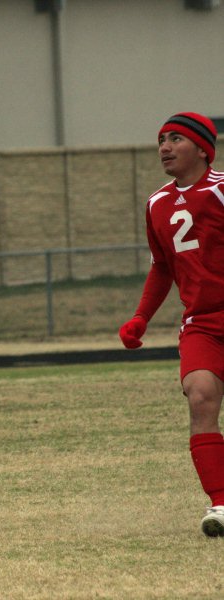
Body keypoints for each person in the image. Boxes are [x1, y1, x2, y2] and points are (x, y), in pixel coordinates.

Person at [118, 112, 224, 537]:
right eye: (161, 139)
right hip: (201, 323)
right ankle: (220, 503)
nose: (164, 146)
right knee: (200, 397)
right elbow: (163, 266)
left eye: (175, 138)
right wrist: (141, 317)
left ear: (202, 148)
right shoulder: (157, 204)